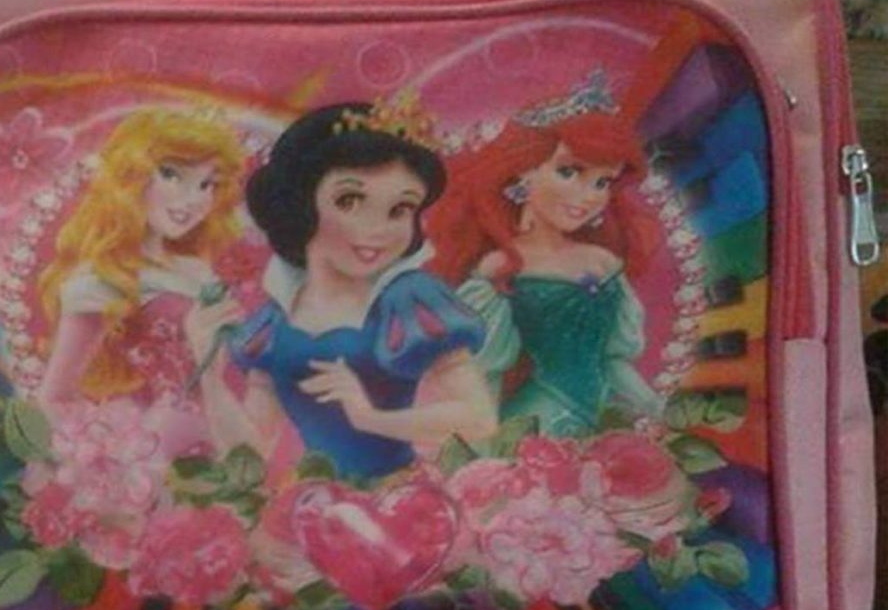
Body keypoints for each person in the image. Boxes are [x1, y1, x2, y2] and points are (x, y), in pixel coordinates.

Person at [189, 98, 497, 482]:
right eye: (350, 201)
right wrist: (209, 374)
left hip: (400, 498)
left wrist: (370, 418)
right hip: (310, 500)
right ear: (302, 203)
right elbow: (251, 454)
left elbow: (478, 418)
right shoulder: (275, 321)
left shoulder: (409, 300)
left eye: (400, 209)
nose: (377, 229)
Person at [427, 76, 665, 438]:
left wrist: (658, 410)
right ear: (524, 171)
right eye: (569, 172)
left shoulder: (602, 263)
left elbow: (613, 362)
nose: (588, 195)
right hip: (536, 427)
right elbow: (483, 374)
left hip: (603, 424)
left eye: (603, 182)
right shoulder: (500, 267)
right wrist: (483, 451)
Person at [37, 106, 246, 458]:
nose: (192, 199)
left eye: (206, 184)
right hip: (149, 455)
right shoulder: (101, 278)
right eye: (171, 174)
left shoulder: (197, 270)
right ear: (131, 175)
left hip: (222, 440)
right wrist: (109, 461)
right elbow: (55, 398)